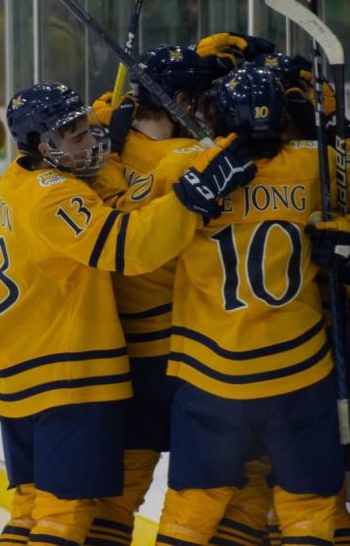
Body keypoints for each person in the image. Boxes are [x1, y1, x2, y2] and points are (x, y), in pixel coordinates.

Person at [0, 81, 256, 545]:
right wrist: (189, 201)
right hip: (65, 374)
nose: (92, 141)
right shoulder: (53, 196)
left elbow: (105, 202)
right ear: (41, 145)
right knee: (63, 517)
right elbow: (127, 245)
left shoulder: (20, 178)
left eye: (88, 128)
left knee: (33, 508)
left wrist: (128, 167)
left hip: (19, 369)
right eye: (74, 135)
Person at [155, 66, 350, 545]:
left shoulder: (180, 168)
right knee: (308, 510)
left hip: (211, 378)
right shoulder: (316, 165)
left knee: (192, 511)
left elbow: (141, 243)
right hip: (298, 374)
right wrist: (337, 135)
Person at [82, 45, 214, 545]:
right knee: (208, 488)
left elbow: (89, 113)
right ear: (179, 98)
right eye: (197, 98)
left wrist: (107, 122)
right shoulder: (191, 158)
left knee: (117, 494)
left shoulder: (102, 149)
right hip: (180, 357)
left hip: (116, 353)